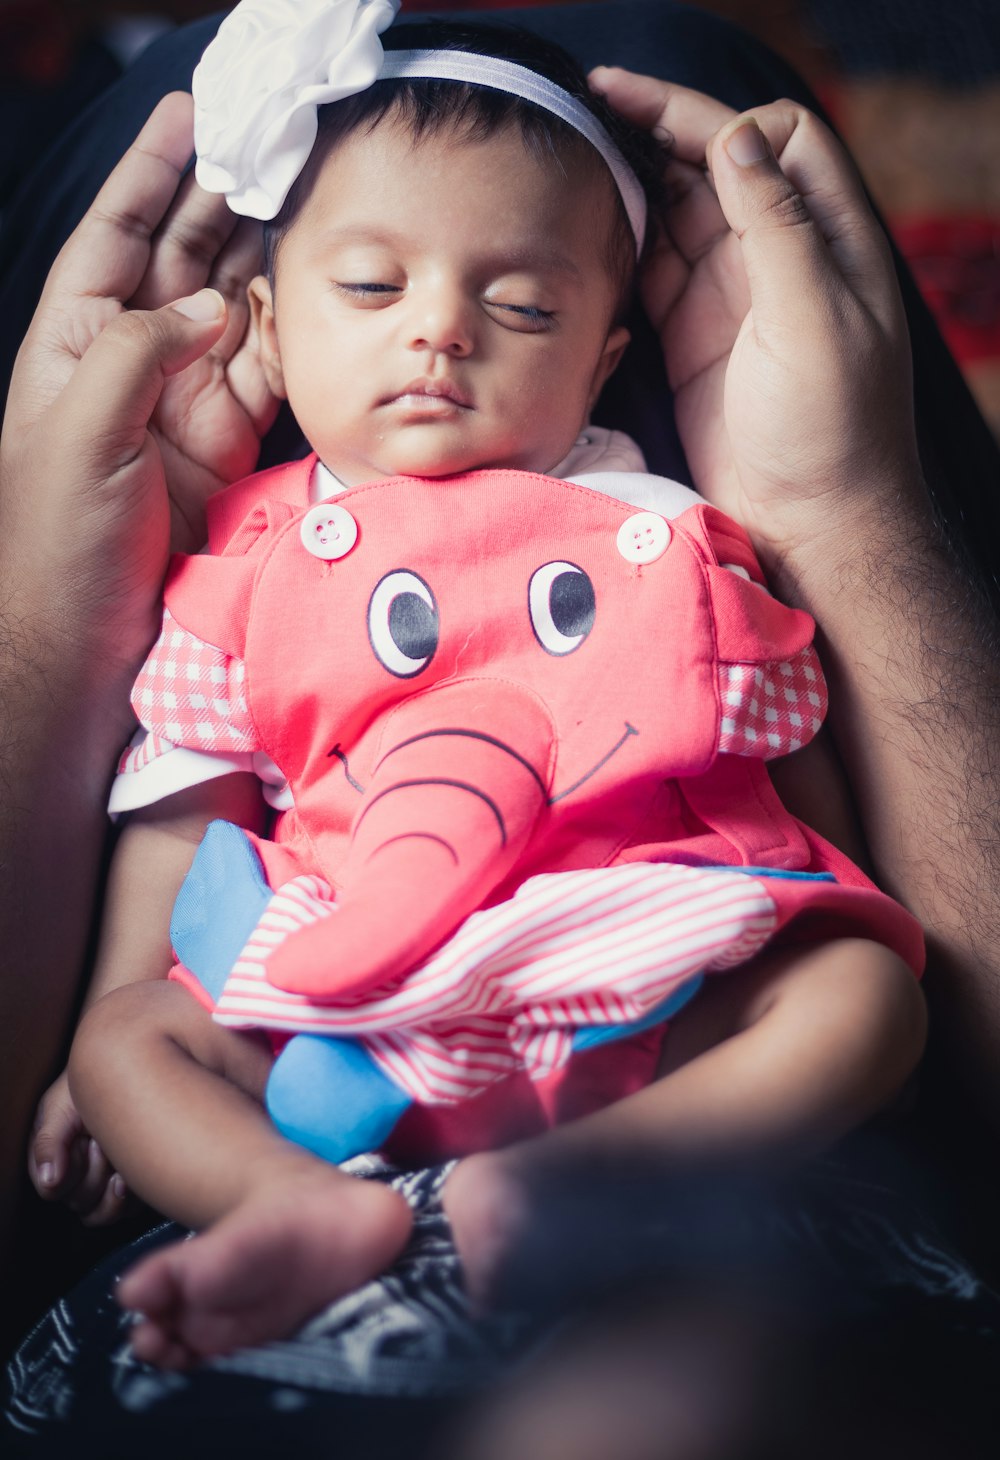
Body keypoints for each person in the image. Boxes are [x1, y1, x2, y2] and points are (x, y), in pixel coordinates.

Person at [4, 0, 999, 1449]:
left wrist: (818, 924)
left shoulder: (672, 525)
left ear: (605, 361)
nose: (441, 331)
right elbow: (187, 801)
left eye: (524, 307)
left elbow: (780, 780)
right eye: (367, 284)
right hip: (345, 988)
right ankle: (297, 1208)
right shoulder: (242, 557)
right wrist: (119, 1003)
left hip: (624, 953)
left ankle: (596, 1175)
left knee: (866, 995)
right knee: (126, 1045)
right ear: (265, 328)